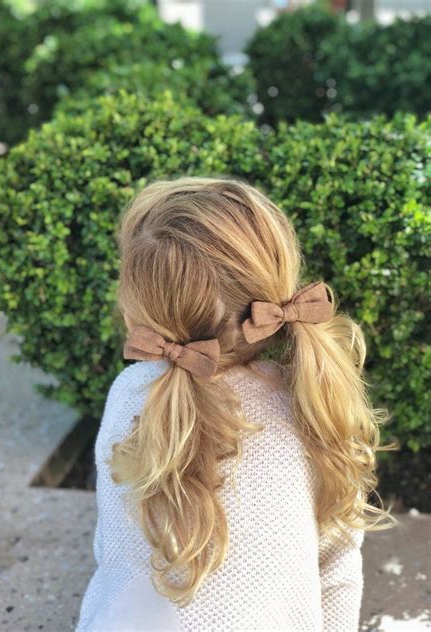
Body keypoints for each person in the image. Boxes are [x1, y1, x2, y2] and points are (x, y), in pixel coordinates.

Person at [76, 177, 398, 631]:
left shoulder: (131, 392)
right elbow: (338, 567)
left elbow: (113, 555)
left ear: (138, 310)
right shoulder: (309, 397)